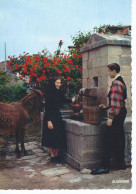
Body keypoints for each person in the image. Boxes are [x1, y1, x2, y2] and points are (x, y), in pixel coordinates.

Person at [91, 63, 127, 175]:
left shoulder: (116, 83)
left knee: (107, 140)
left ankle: (104, 167)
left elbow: (116, 104)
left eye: (109, 71)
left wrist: (110, 117)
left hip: (116, 115)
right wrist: (106, 107)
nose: (108, 73)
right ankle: (121, 164)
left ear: (114, 71)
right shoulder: (121, 81)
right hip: (121, 113)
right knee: (119, 138)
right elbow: (120, 101)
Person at [41, 77, 75, 164]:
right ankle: (52, 155)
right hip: (49, 116)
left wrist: (71, 100)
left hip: (57, 115)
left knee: (58, 136)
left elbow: (63, 99)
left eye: (60, 83)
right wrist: (48, 121)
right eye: (57, 82)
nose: (59, 84)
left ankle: (57, 154)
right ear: (53, 83)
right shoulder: (49, 93)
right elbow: (47, 107)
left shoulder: (58, 91)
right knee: (49, 136)